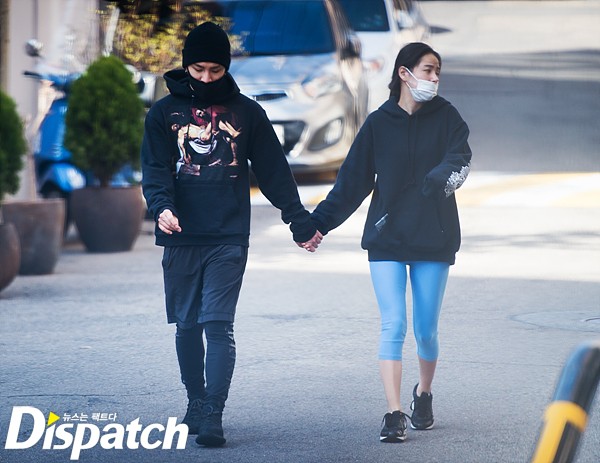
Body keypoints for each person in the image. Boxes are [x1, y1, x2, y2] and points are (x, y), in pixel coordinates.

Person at [141, 22, 322, 448]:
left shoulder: (247, 113)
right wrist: (161, 207)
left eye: (215, 71)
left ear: (226, 68)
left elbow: (274, 172)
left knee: (218, 324)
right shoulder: (162, 114)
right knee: (187, 326)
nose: (206, 78)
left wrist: (299, 221)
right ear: (187, 66)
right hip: (181, 235)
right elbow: (155, 169)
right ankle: (195, 400)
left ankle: (214, 413)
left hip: (228, 234)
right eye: (198, 70)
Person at [310, 42, 472, 443]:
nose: (434, 78)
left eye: (437, 72)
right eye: (428, 70)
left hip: (434, 236)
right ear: (404, 73)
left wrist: (438, 179)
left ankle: (424, 393)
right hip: (387, 237)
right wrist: (317, 225)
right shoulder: (378, 124)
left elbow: (460, 158)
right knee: (393, 324)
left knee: (426, 330)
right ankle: (394, 412)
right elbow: (352, 182)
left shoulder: (448, 117)